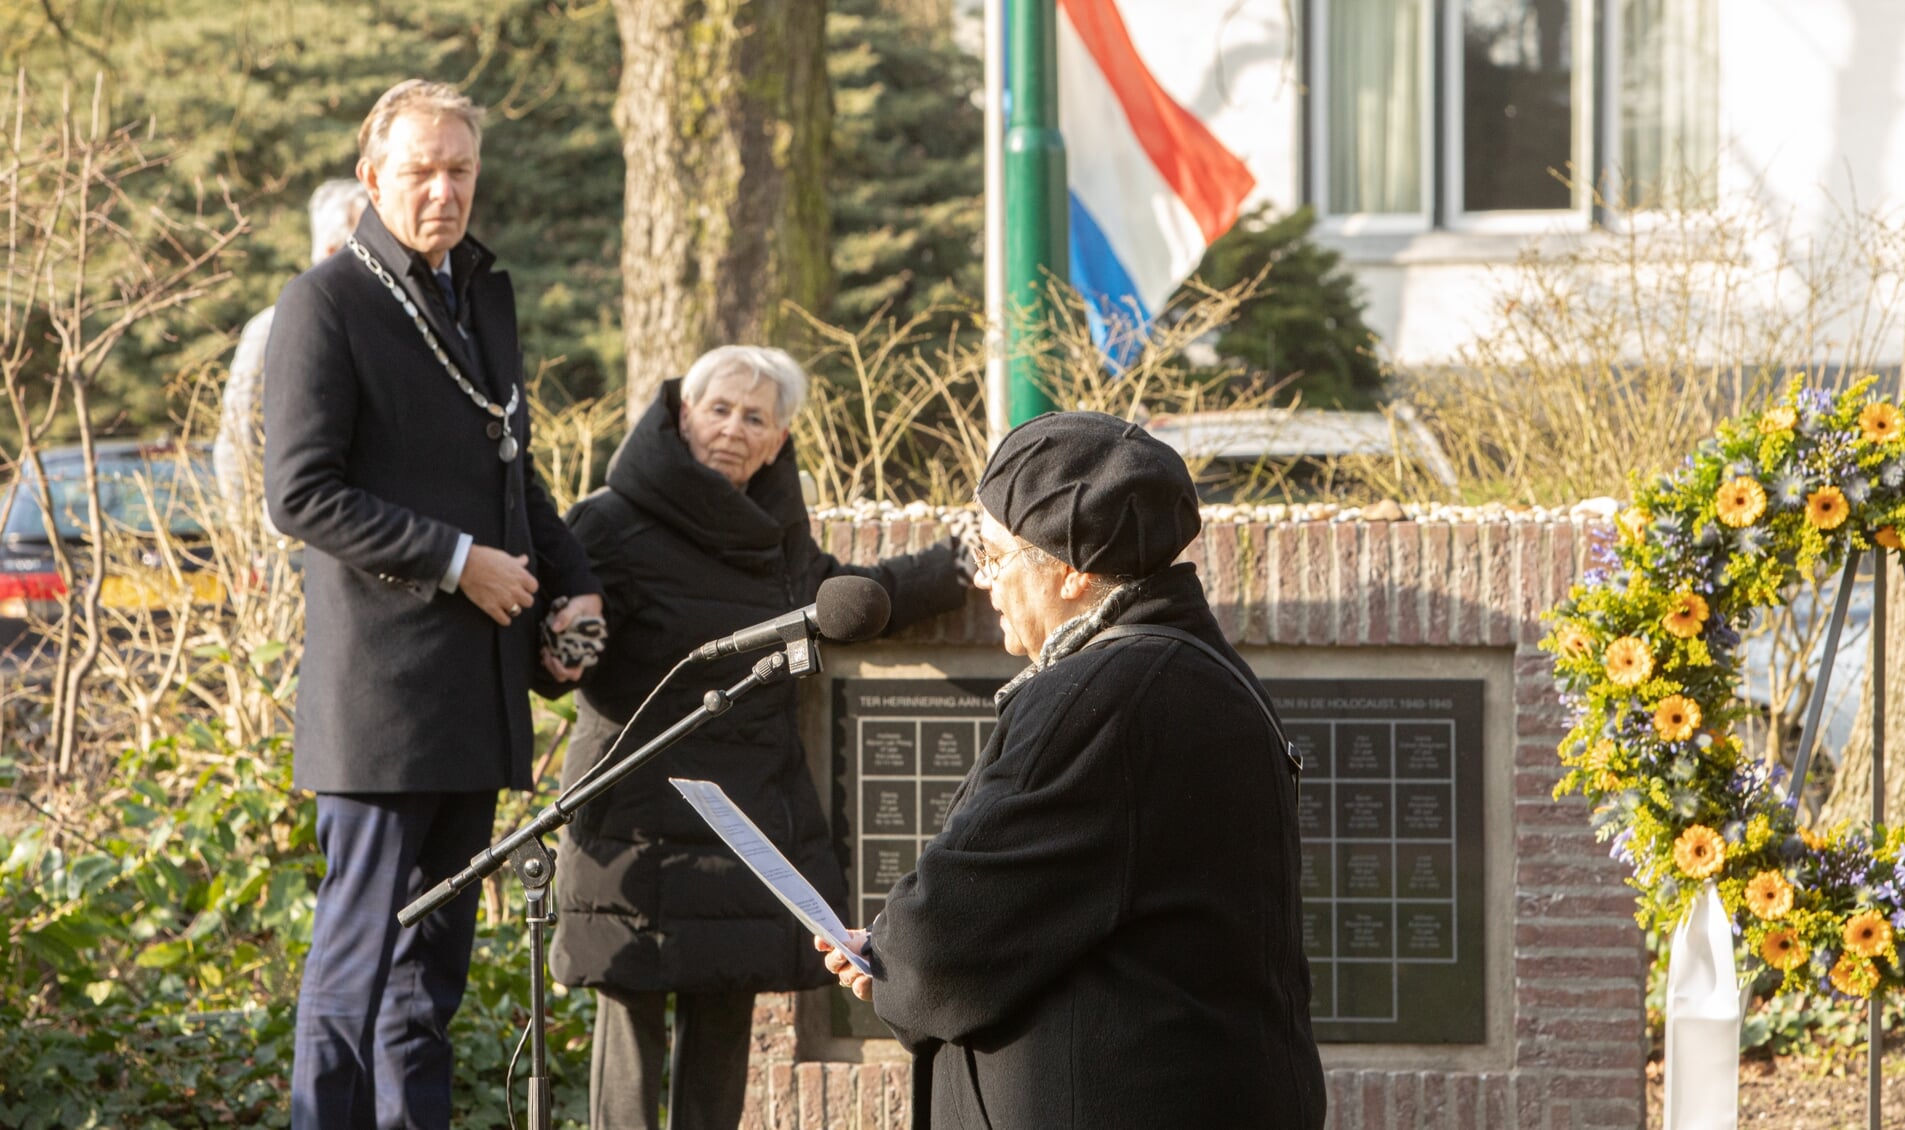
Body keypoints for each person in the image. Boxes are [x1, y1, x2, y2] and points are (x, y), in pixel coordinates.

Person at [819, 411, 1327, 1130]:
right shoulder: (1194, 670)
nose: (986, 583)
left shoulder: (1100, 696)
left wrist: (894, 958)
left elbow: (951, 937)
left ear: (1071, 570)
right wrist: (894, 958)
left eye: (995, 557)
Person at [264, 79, 604, 1130]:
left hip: (480, 684)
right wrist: (461, 561)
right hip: (382, 698)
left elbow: (514, 467)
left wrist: (572, 576)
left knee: (430, 983)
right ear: (373, 178)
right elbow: (301, 494)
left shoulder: (482, 292)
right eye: (420, 172)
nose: (444, 191)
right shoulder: (326, 304)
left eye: (460, 170)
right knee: (356, 962)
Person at [549, 345, 971, 1130]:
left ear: (779, 441)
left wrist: (947, 573)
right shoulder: (606, 521)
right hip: (636, 814)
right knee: (626, 1074)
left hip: (737, 823)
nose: (734, 430)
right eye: (719, 410)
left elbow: (834, 600)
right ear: (682, 416)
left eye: (756, 418)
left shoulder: (776, 537)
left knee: (719, 1056)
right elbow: (563, 642)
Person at [214, 178, 368, 535]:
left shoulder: (386, 327)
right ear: (332, 251)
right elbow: (238, 439)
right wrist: (251, 540)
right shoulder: (272, 328)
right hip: (291, 544)